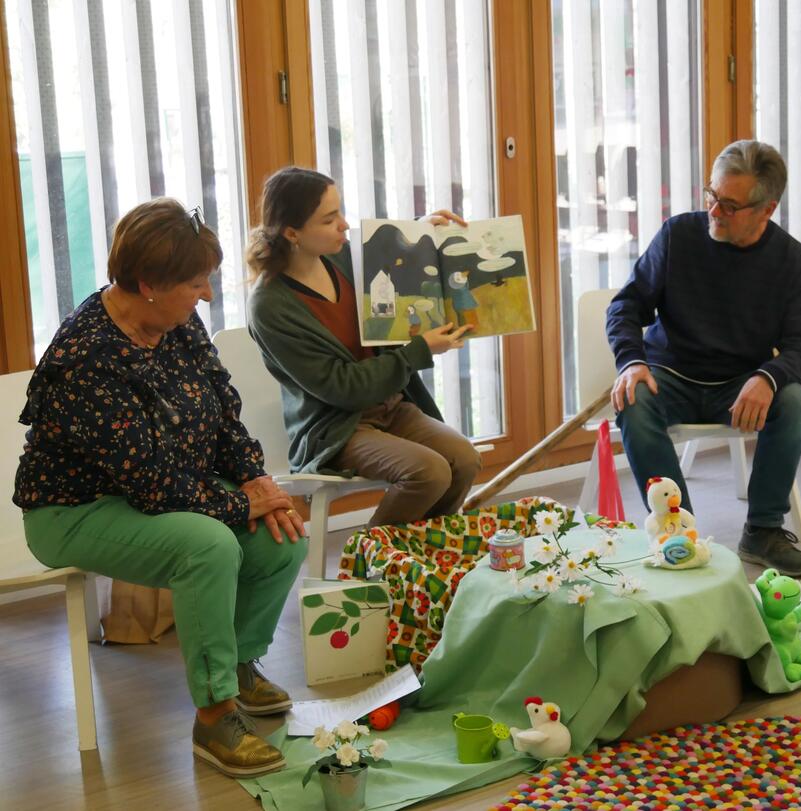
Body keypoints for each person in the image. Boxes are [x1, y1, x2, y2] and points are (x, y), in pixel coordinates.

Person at [13, 199, 307, 777]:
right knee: (209, 545)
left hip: (171, 488)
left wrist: (255, 479)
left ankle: (240, 662)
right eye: (196, 284)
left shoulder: (173, 320)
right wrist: (236, 503)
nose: (205, 296)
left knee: (283, 536)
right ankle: (215, 715)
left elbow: (224, 410)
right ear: (149, 284)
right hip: (75, 511)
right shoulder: (88, 355)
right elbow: (150, 485)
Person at [606, 140, 801, 576]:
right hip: (670, 376)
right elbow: (626, 306)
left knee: (795, 400)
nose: (714, 211)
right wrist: (632, 360)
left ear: (767, 209)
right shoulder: (678, 235)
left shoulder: (793, 261)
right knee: (634, 399)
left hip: (740, 386)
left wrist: (769, 376)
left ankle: (762, 531)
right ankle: (675, 532)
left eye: (729, 204)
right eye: (711, 196)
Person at [245, 167, 481, 527]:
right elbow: (342, 388)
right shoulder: (270, 305)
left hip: (390, 405)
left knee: (464, 459)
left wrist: (422, 229)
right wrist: (419, 350)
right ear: (292, 233)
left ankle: (423, 557)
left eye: (339, 211)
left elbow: (388, 256)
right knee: (429, 472)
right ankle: (366, 561)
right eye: (328, 219)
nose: (343, 225)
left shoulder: (341, 257)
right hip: (336, 427)